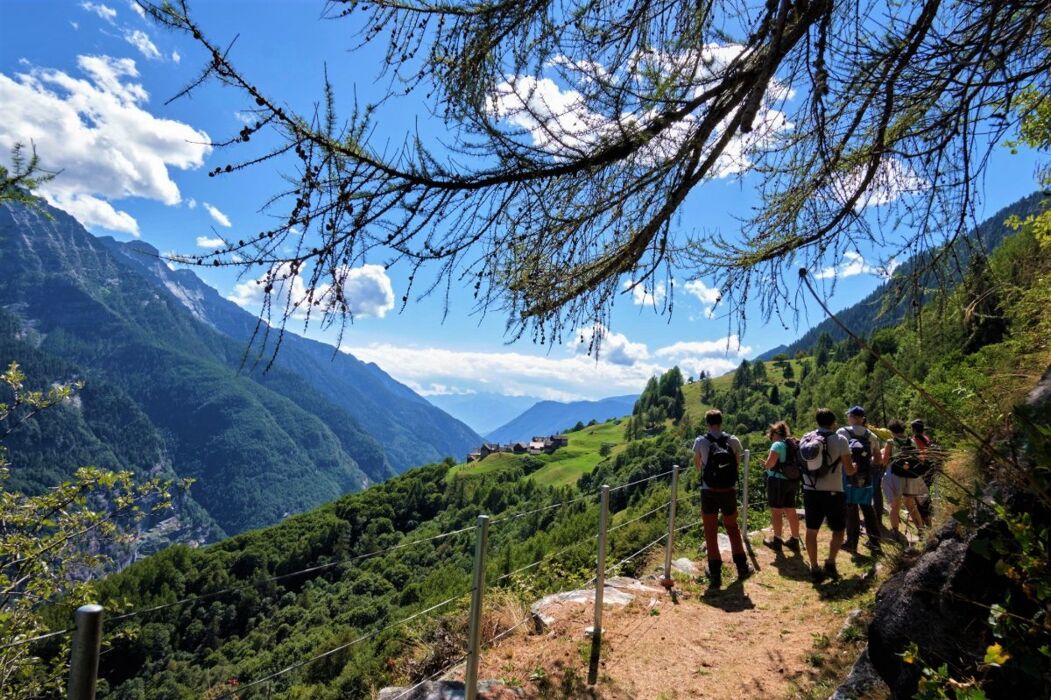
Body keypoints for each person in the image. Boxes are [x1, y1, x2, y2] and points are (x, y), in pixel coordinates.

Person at [693, 409, 749, 589]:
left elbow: (697, 466)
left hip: (708, 491)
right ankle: (742, 567)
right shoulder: (733, 440)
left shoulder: (701, 441)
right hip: (728, 490)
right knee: (732, 526)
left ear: (707, 423)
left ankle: (715, 573)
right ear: (721, 422)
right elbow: (737, 463)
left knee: (710, 530)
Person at [800, 407, 856, 583]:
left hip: (811, 489)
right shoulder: (840, 440)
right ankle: (830, 562)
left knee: (811, 530)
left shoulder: (806, 438)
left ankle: (814, 567)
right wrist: (856, 468)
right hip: (834, 490)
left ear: (817, 421)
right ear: (834, 423)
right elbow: (849, 469)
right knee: (839, 529)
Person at [837, 407, 883, 554]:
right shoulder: (872, 436)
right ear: (862, 418)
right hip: (866, 476)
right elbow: (878, 459)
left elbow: (837, 456)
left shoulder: (842, 432)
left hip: (848, 475)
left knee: (851, 508)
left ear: (851, 417)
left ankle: (852, 542)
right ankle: (875, 542)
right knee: (867, 507)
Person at [881, 419, 927, 543]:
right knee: (911, 504)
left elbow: (885, 461)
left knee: (895, 505)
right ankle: (921, 530)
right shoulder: (911, 441)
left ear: (891, 431)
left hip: (896, 476)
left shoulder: (891, 442)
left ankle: (895, 531)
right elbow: (919, 458)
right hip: (910, 475)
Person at [761, 421, 801, 555]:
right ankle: (795, 540)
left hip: (777, 481)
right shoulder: (792, 444)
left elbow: (770, 464)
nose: (770, 438)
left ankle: (777, 541)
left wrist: (765, 464)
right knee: (791, 510)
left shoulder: (777, 445)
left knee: (776, 511)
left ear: (774, 434)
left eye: (771, 435)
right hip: (792, 481)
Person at [911, 419, 936, 527]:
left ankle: (925, 520)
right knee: (925, 495)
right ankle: (928, 520)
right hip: (929, 470)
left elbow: (919, 456)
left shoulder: (915, 439)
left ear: (914, 429)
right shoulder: (926, 438)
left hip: (920, 471)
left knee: (920, 497)